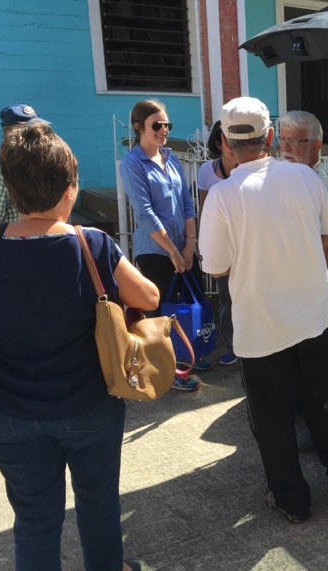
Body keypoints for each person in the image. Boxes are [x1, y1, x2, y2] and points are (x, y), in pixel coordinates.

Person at [0, 123, 159, 571]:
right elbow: (147, 296)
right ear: (70, 190)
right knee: (96, 497)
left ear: (11, 187)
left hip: (10, 415)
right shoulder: (92, 243)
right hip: (88, 407)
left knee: (33, 520)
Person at [199, 97, 328, 524]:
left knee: (272, 418)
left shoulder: (221, 196)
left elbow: (216, 266)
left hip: (262, 328)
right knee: (325, 395)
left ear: (226, 145)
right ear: (270, 137)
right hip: (313, 314)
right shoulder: (303, 178)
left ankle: (293, 498)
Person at [120, 99, 209, 391]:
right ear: (138, 127)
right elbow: (145, 213)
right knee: (160, 317)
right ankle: (169, 375)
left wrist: (188, 245)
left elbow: (187, 204)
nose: (163, 130)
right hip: (156, 253)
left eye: (166, 125)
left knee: (188, 306)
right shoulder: (133, 163)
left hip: (183, 248)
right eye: (156, 125)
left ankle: (191, 355)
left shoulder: (170, 159)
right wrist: (172, 250)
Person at [197, 120, 239, 366]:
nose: (233, 145)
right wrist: (204, 245)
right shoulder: (206, 171)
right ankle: (232, 346)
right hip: (223, 245)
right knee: (226, 299)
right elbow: (204, 211)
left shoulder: (249, 169)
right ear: (217, 143)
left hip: (246, 244)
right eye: (227, 139)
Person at [278, 110, 328, 217]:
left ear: (315, 146)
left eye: (293, 141)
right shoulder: (297, 176)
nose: (285, 148)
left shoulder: (320, 188)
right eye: (282, 139)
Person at [0, 104, 50, 224]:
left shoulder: (50, 160)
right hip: (14, 241)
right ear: (12, 135)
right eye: (32, 132)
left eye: (40, 129)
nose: (40, 135)